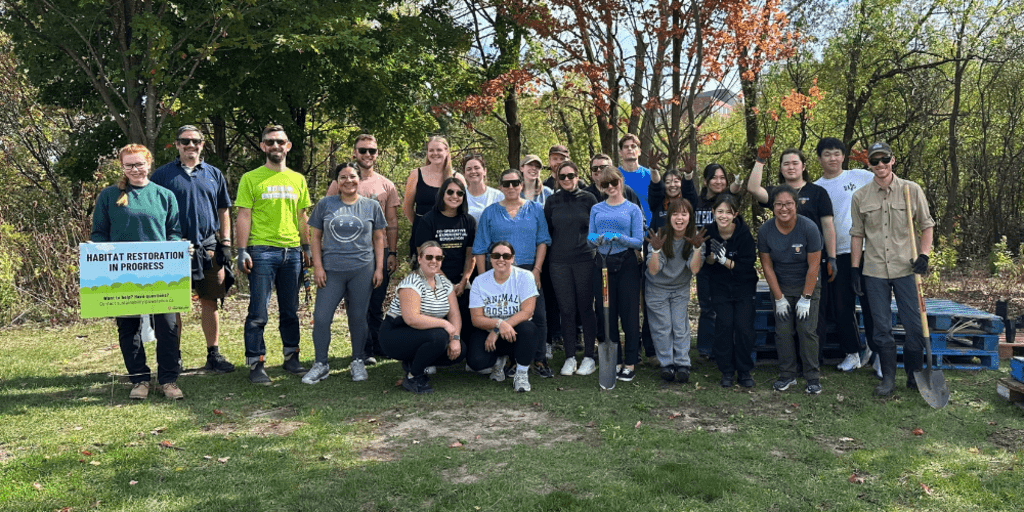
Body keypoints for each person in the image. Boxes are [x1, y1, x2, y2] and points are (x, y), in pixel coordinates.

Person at [91, 144, 184, 400]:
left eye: (139, 164)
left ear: (149, 164)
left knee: (167, 327)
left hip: (161, 272)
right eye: (128, 165)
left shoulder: (165, 196)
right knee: (128, 327)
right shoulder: (109, 196)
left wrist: (178, 248)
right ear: (122, 167)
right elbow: (98, 233)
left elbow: (174, 232)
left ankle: (168, 380)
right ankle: (139, 380)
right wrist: (96, 251)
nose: (134, 169)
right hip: (122, 273)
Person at [850, 141, 934, 397]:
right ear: (869, 164)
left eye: (884, 159)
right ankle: (888, 378)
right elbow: (856, 235)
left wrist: (924, 255)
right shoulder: (860, 196)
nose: (880, 165)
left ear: (892, 160)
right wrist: (855, 268)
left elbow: (926, 225)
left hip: (906, 269)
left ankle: (913, 375)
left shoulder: (911, 190)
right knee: (881, 328)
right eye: (874, 161)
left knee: (914, 326)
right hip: (874, 270)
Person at [150, 125, 235, 374]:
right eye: (185, 141)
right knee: (173, 304)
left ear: (202, 144)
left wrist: (226, 243)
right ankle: (173, 357)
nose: (190, 146)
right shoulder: (162, 175)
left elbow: (224, 209)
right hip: (173, 249)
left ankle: (214, 354)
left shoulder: (214, 174)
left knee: (210, 301)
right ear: (177, 144)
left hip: (208, 247)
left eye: (195, 141)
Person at [235, 125, 312, 384]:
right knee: (258, 311)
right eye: (270, 142)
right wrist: (242, 250)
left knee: (290, 310)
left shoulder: (298, 179)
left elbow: (303, 217)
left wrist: (307, 247)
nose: (275, 146)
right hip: (261, 251)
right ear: (263, 146)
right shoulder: (250, 178)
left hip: (291, 253)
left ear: (288, 146)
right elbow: (243, 216)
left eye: (280, 141)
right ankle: (256, 363)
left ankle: (292, 357)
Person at [748, 142, 835, 366]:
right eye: (785, 163)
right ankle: (790, 365)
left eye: (795, 163)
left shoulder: (818, 192)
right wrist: (760, 161)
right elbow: (753, 189)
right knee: (785, 324)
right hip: (784, 268)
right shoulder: (776, 193)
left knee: (813, 317)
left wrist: (832, 257)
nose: (790, 167)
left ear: (803, 166)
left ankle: (814, 362)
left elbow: (828, 226)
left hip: (813, 263)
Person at [303, 163, 386, 384]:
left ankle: (358, 360)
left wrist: (379, 268)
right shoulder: (325, 204)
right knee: (321, 318)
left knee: (358, 318)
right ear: (336, 182)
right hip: (331, 271)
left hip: (362, 269)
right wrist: (318, 267)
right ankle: (320, 364)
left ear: (360, 179)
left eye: (352, 176)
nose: (348, 181)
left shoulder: (372, 206)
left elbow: (379, 238)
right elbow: (315, 237)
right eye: (342, 177)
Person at [327, 135, 401, 365]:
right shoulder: (342, 181)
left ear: (377, 154)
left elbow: (392, 221)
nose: (368, 155)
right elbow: (328, 216)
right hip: (350, 255)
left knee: (376, 304)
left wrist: (393, 253)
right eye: (363, 150)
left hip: (380, 253)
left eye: (372, 150)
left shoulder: (386, 184)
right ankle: (362, 349)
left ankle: (378, 346)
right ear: (354, 153)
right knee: (357, 306)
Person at [473, 169, 553, 377]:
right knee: (506, 312)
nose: (511, 187)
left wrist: (537, 269)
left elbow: (543, 240)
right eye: (506, 183)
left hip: (528, 270)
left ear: (521, 185)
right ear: (500, 186)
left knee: (538, 315)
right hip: (499, 270)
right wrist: (483, 278)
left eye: (515, 183)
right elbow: (480, 247)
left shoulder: (534, 209)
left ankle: (539, 358)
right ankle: (512, 358)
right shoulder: (490, 212)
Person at [668, 162, 743, 360]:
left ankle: (726, 345)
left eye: (722, 178)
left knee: (727, 303)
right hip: (702, 259)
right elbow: (688, 193)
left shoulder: (726, 201)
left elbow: (735, 192)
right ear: (706, 180)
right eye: (714, 177)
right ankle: (705, 348)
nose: (718, 181)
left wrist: (737, 183)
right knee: (707, 305)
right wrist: (687, 174)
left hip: (725, 259)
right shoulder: (697, 201)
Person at [813, 137, 876, 372]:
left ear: (843, 156)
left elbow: (886, 178)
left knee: (872, 303)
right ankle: (852, 353)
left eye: (837, 153)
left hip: (866, 250)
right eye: (827, 154)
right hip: (836, 253)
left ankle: (875, 350)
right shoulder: (816, 187)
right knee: (842, 306)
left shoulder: (859, 176)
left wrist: (870, 164)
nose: (833, 158)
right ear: (819, 159)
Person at [758, 185, 824, 394]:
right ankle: (787, 375)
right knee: (783, 331)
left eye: (788, 204)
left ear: (796, 205)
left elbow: (814, 265)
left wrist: (806, 297)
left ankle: (812, 376)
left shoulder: (809, 228)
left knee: (807, 330)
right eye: (778, 204)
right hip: (781, 285)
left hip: (807, 284)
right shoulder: (766, 230)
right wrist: (778, 298)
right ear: (773, 206)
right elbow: (766, 266)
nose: (783, 208)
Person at [379, 241, 463, 394]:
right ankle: (413, 377)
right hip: (395, 333)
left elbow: (454, 314)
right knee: (439, 337)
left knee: (460, 350)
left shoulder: (444, 282)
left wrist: (455, 338)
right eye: (429, 257)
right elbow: (412, 318)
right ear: (419, 259)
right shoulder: (411, 282)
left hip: (421, 333)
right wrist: (444, 324)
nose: (434, 261)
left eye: (438, 258)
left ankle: (413, 363)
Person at [589, 166, 645, 382]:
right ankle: (613, 360)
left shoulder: (632, 209)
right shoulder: (596, 209)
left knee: (629, 314)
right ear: (600, 187)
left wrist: (619, 237)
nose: (611, 187)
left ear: (621, 181)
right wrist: (597, 239)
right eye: (605, 184)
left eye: (614, 182)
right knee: (606, 314)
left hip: (627, 264)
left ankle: (630, 362)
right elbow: (590, 237)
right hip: (602, 264)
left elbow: (638, 241)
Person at [543, 161, 599, 376]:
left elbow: (596, 229)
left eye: (571, 175)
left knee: (585, 308)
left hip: (585, 259)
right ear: (557, 178)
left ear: (577, 176)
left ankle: (588, 357)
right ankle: (569, 357)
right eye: (562, 176)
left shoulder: (589, 199)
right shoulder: (552, 201)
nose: (567, 179)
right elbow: (547, 231)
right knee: (566, 309)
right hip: (558, 262)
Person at [466, 241, 541, 392]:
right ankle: (498, 361)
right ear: (490, 259)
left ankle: (521, 373)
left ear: (512, 258)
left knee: (529, 328)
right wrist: (499, 324)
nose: (501, 259)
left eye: (506, 256)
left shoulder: (525, 276)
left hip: (516, 332)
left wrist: (498, 329)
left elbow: (527, 312)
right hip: (489, 331)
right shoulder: (480, 281)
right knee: (476, 362)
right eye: (496, 255)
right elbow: (476, 319)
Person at [644, 198, 704, 383]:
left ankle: (682, 363)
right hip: (657, 288)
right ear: (669, 217)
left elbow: (694, 269)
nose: (680, 218)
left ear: (690, 217)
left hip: (680, 288)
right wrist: (655, 251)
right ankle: (667, 364)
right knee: (662, 327)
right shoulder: (659, 236)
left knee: (679, 325)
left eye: (684, 214)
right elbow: (653, 270)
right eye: (675, 214)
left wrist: (696, 248)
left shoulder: (695, 237)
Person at [704, 194, 758, 388]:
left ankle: (744, 370)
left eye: (728, 212)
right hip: (719, 287)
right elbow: (706, 264)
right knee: (724, 326)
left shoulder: (743, 234)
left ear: (735, 214)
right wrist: (711, 258)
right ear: (713, 212)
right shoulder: (708, 232)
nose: (723, 216)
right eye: (720, 211)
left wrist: (726, 261)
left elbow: (748, 265)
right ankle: (726, 370)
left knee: (743, 327)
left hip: (743, 286)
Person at [412, 177, 477, 339]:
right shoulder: (428, 220)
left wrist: (464, 281)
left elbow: (471, 255)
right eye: (450, 192)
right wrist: (447, 285)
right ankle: (432, 353)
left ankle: (462, 349)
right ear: (442, 194)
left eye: (459, 193)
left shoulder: (468, 221)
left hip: (461, 282)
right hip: (432, 280)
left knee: (468, 315)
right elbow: (425, 257)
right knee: (434, 320)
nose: (455, 196)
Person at [403, 136, 465, 258]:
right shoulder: (416, 174)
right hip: (422, 238)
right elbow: (407, 207)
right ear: (427, 153)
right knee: (423, 275)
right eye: (431, 150)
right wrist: (421, 225)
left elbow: (464, 211)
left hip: (449, 238)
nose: (435, 153)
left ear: (447, 152)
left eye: (439, 150)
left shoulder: (457, 178)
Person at [617, 134, 653, 225]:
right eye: (626, 147)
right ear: (620, 152)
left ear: (639, 151)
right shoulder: (614, 176)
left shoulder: (650, 175)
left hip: (649, 232)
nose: (630, 149)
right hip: (623, 233)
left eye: (633, 146)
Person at [463, 154, 501, 221]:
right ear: (464, 174)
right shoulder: (459, 195)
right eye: (469, 169)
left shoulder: (497, 196)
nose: (473, 171)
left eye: (476, 168)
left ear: (484, 171)